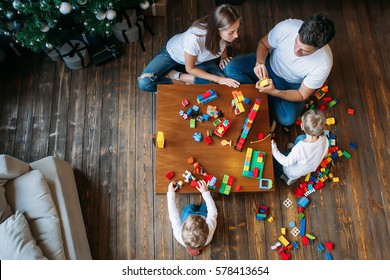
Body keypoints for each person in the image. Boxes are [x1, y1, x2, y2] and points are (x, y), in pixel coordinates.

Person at [223, 13, 335, 127]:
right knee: (230, 68)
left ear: (318, 48)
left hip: (290, 85)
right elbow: (263, 44)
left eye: (304, 51)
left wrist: (275, 92)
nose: (296, 51)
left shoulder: (324, 63)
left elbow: (302, 95)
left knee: (287, 118)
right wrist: (259, 62)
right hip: (268, 63)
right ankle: (263, 96)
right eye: (296, 42)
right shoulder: (286, 27)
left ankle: (259, 94)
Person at [137, 4, 241, 92]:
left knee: (220, 86)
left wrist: (223, 57)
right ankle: (177, 77)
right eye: (231, 32)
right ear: (217, 30)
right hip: (173, 56)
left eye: (237, 29)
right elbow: (190, 68)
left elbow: (224, 43)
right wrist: (218, 79)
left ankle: (182, 77)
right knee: (144, 83)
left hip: (200, 61)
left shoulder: (223, 33)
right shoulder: (194, 38)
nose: (236, 35)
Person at [271, 109, 329, 186]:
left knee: (273, 159)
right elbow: (325, 153)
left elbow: (286, 162)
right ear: (324, 128)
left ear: (302, 126)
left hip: (291, 171)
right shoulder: (325, 139)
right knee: (301, 138)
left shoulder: (300, 148)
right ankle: (293, 154)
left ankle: (284, 176)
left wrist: (274, 149)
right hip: (307, 168)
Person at [167, 180, 217, 256]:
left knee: (189, 207)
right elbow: (213, 211)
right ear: (206, 227)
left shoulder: (178, 234)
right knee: (206, 205)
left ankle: (194, 207)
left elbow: (173, 214)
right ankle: (199, 207)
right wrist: (205, 192)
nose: (195, 216)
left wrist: (170, 193)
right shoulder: (209, 231)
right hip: (204, 215)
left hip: (188, 215)